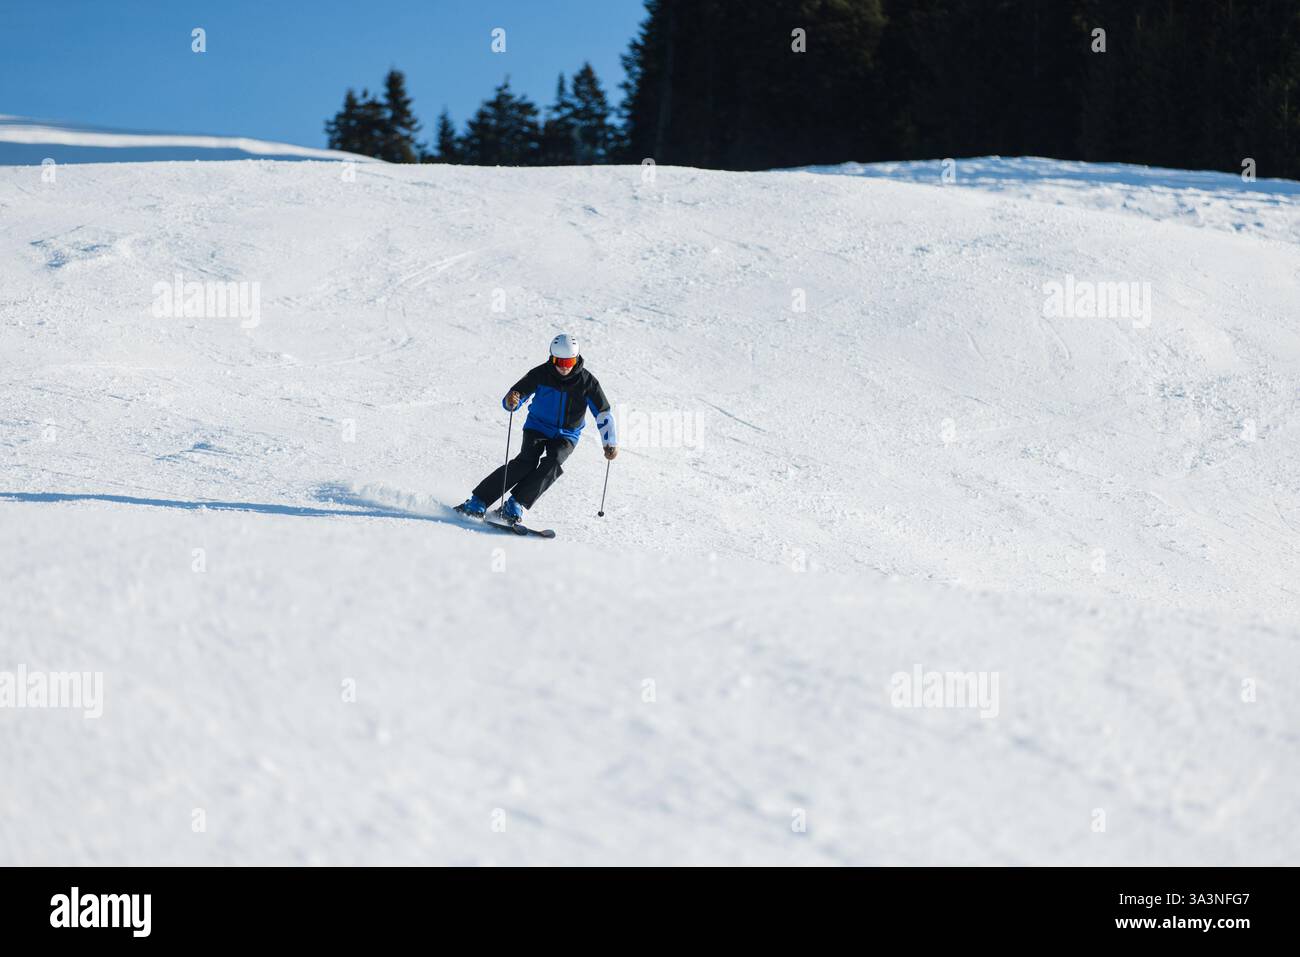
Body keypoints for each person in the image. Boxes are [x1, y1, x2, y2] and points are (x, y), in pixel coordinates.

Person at [456, 333, 617, 524]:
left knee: (553, 464)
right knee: (526, 462)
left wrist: (610, 442)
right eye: (559, 361)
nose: (564, 368)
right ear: (551, 357)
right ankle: (478, 501)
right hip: (537, 427)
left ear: (577, 359)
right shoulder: (540, 374)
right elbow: (515, 395)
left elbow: (603, 413)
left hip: (567, 434)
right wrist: (512, 401)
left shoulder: (587, 382)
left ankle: (515, 504)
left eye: (569, 362)